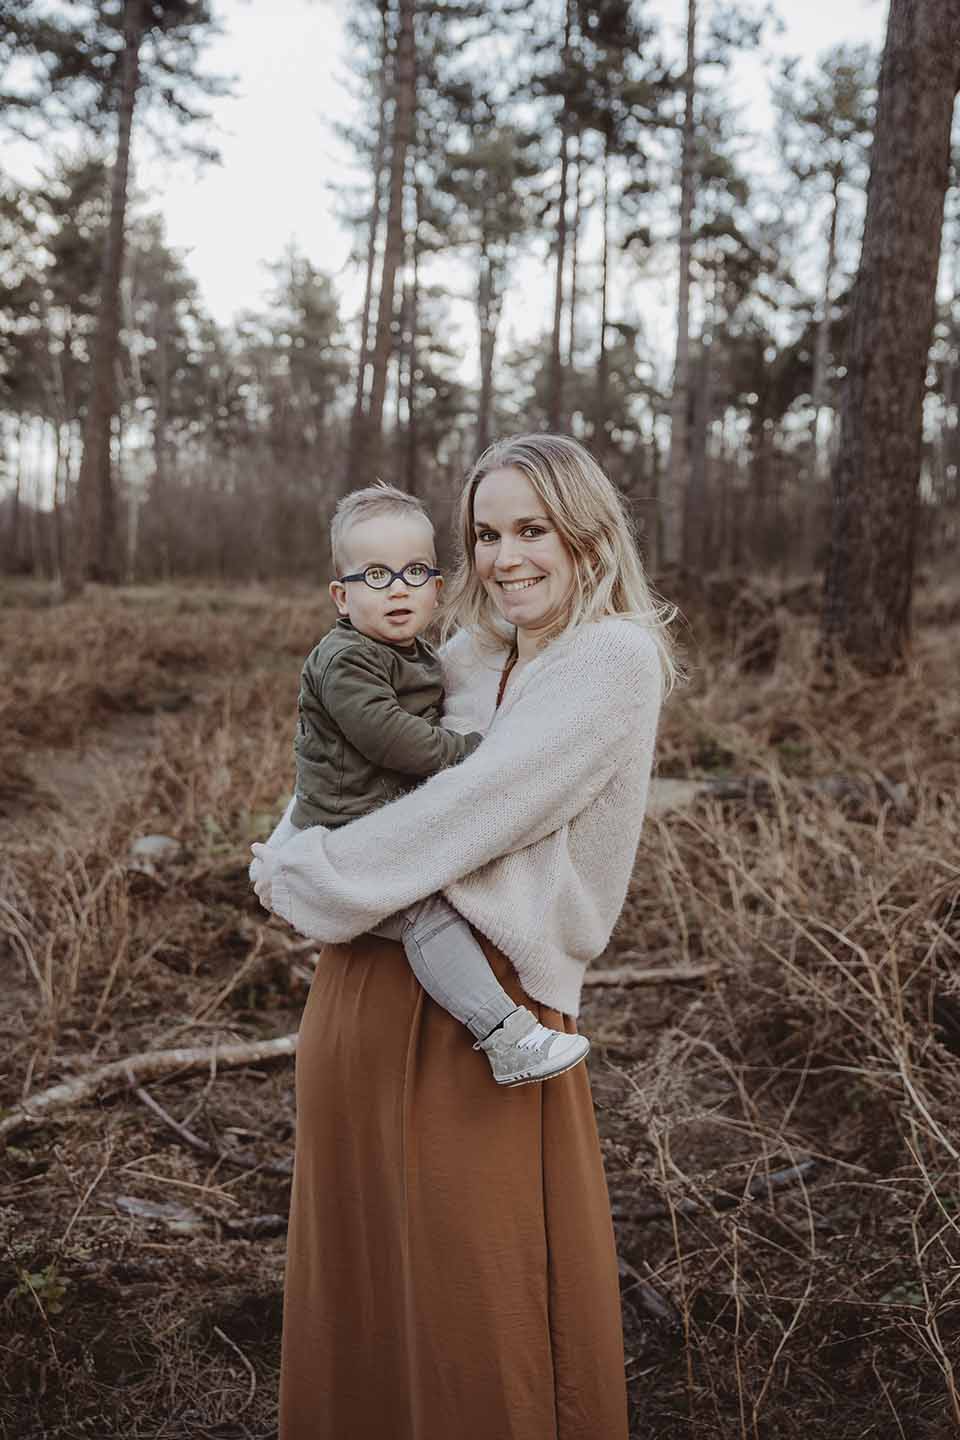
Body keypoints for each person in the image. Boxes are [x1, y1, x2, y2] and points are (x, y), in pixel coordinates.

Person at [251, 434, 680, 1440]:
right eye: (486, 534)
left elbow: (474, 809)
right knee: (369, 1294)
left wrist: (301, 878)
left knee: (478, 1321)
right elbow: (338, 777)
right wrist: (286, 851)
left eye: (532, 529)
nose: (505, 557)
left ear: (586, 534)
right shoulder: (466, 654)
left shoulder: (609, 661)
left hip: (481, 1021)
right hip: (359, 996)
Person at [289, 480, 590, 1085]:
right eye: (374, 575)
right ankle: (504, 1037)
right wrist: (474, 756)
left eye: (412, 572)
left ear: (436, 588)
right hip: (347, 828)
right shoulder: (346, 658)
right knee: (425, 916)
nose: (396, 587)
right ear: (340, 597)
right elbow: (388, 736)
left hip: (377, 817)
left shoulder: (417, 652)